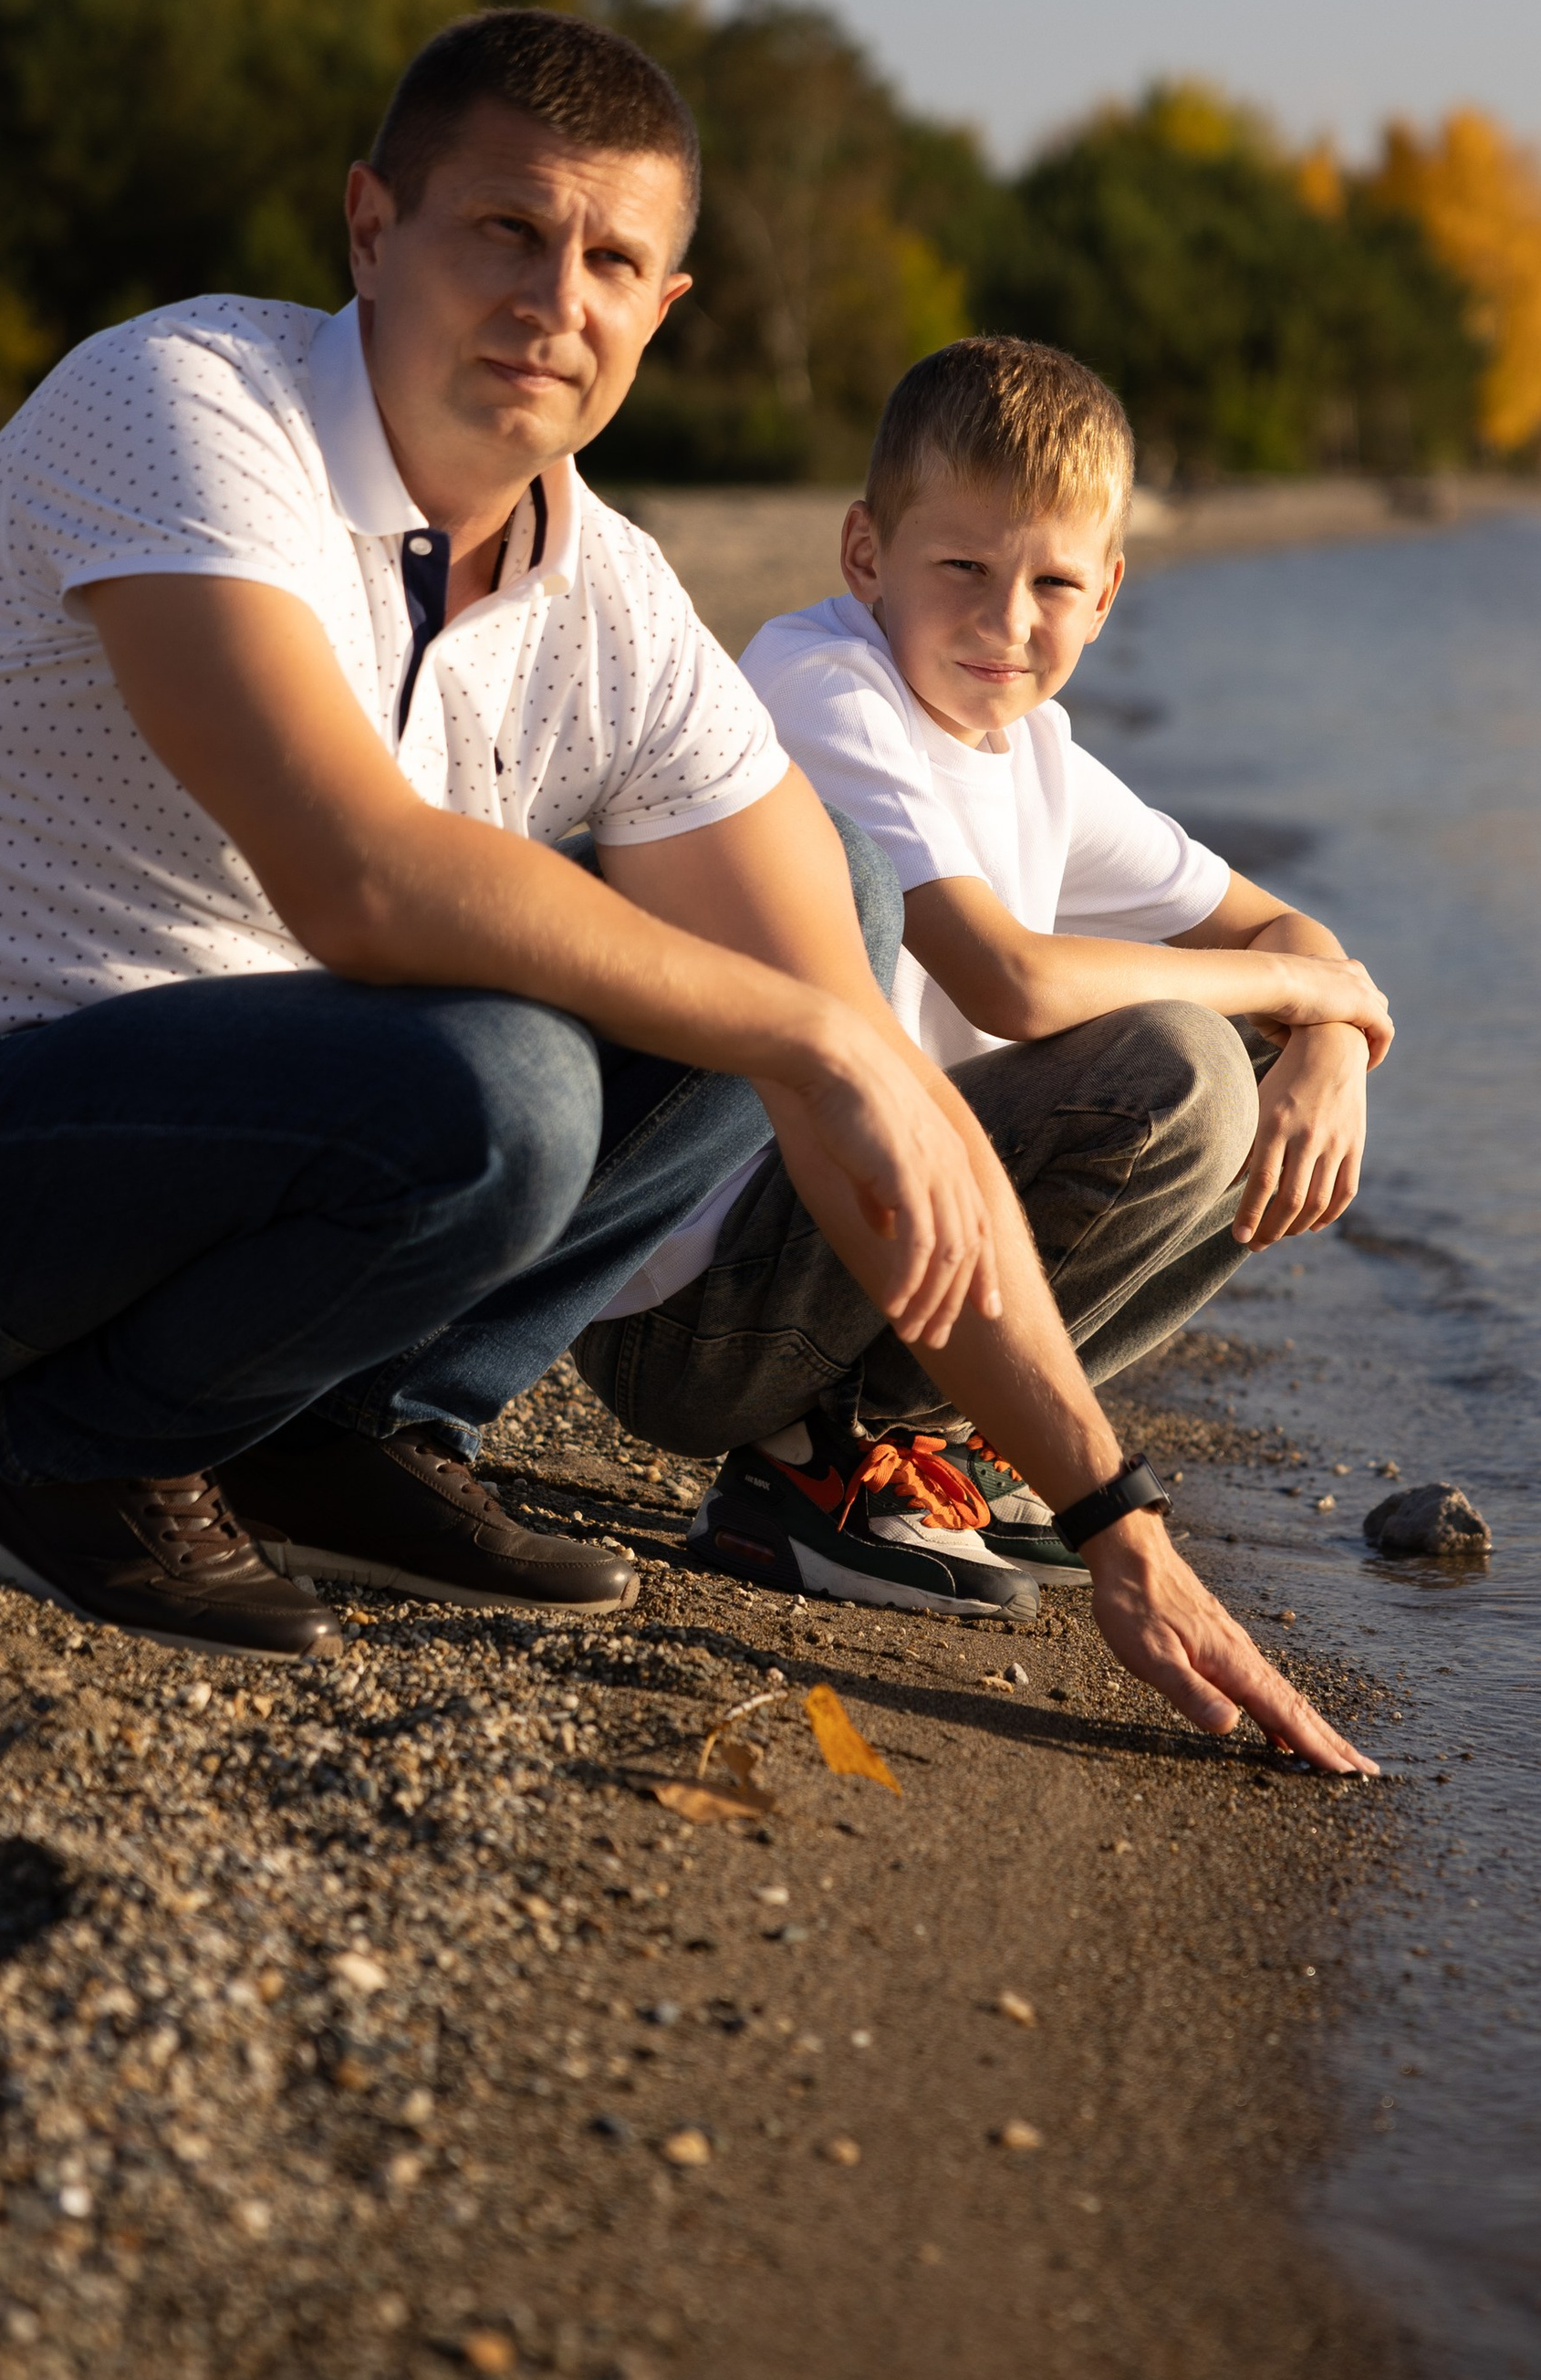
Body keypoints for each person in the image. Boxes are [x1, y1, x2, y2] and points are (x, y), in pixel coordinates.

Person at [0, 10, 1373, 1772]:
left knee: (822, 908)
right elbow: (358, 877)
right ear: (373, 228)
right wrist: (819, 1040)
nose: (560, 299)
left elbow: (849, 1017)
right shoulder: (185, 406)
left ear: (667, 306)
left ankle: (344, 1428)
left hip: (226, 1174)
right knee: (529, 1083)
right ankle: (62, 1452)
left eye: (614, 256)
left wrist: (1116, 1525)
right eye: (506, 232)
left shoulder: (605, 588)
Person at [572, 334, 1392, 1602]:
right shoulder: (823, 685)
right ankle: (814, 1459)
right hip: (689, 1305)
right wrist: (1298, 996)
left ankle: (915, 1441)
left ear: (1108, 592)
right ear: (867, 554)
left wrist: (1329, 1037)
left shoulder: (1031, 748)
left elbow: (1291, 937)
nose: (1008, 624)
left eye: (1054, 584)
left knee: (1250, 1071)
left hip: (835, 1257)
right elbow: (1009, 979)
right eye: (963, 566)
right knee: (1186, 1066)